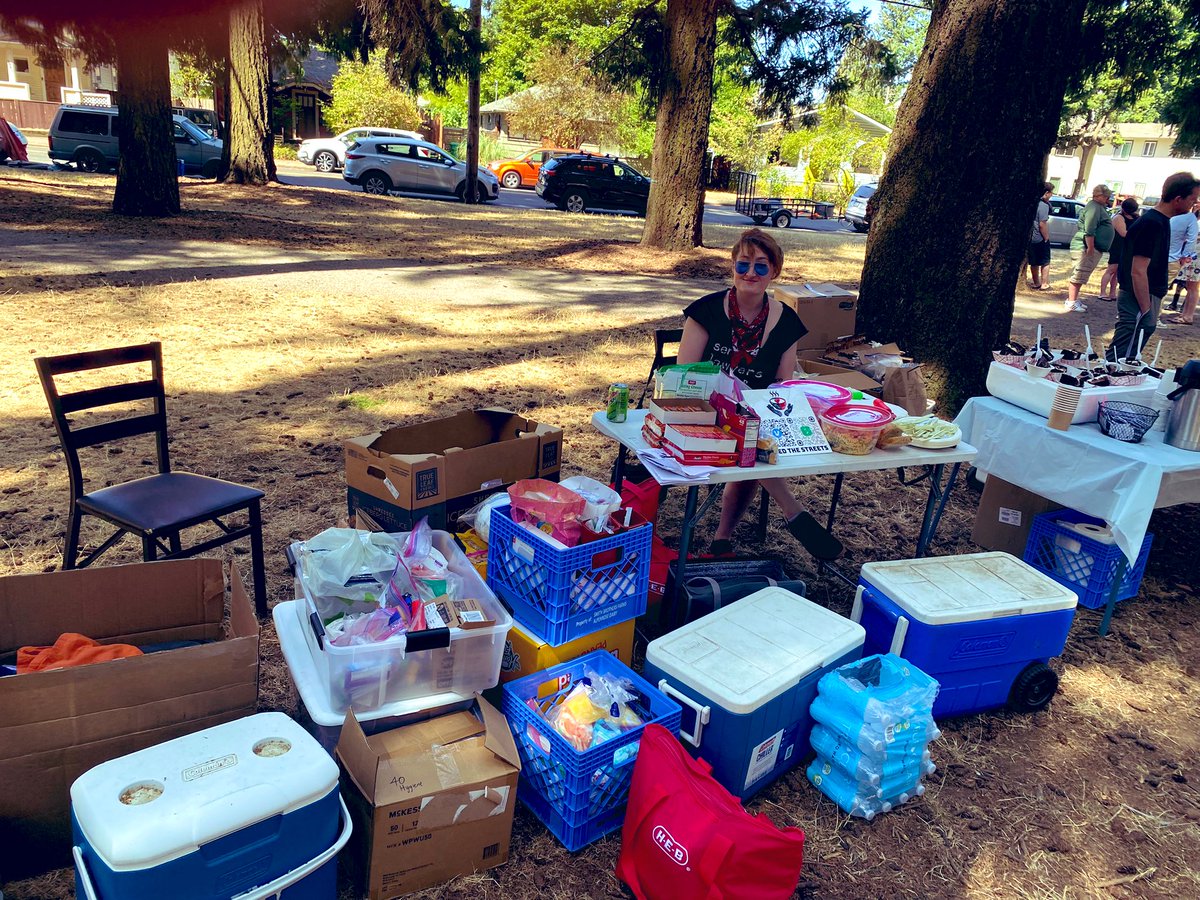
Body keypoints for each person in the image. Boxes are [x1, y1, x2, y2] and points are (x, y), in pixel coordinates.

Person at [677, 228, 842, 560]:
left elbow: (783, 386)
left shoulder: (788, 322)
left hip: (758, 420)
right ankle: (793, 513)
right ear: (733, 267)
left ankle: (725, 536)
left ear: (774, 273)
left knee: (754, 438)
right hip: (702, 413)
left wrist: (758, 413)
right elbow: (684, 377)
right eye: (743, 264)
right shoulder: (705, 311)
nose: (750, 273)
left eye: (761, 266)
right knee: (752, 439)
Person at [1108, 172, 1200, 360]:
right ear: (1178, 199)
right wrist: (1146, 308)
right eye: (1193, 199)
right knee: (1121, 354)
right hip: (1139, 295)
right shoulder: (1152, 223)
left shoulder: (1162, 221)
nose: (1195, 203)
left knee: (1130, 352)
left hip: (1147, 293)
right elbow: (1138, 271)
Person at [1066, 184, 1115, 312]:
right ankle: (1071, 301)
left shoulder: (1099, 207)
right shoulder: (1093, 208)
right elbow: (1090, 229)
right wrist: (1090, 247)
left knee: (1083, 274)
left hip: (1092, 247)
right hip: (1085, 247)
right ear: (1099, 196)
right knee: (1080, 273)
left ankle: (1075, 299)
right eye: (1106, 196)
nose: (1107, 199)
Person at [1164, 199, 1200, 324]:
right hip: (1193, 255)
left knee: (1193, 286)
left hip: (1196, 256)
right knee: (1191, 286)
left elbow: (1193, 237)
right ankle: (1185, 314)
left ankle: (1188, 315)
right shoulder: (1194, 218)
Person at [1099, 198, 1139, 302]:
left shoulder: (1134, 217)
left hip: (1127, 247)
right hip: (1118, 246)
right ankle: (1102, 292)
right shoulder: (1118, 218)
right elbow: (1123, 233)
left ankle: (1112, 293)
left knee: (1117, 271)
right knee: (1111, 269)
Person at [1026, 182, 1053, 289]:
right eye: (1051, 193)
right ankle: (1044, 283)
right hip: (1039, 237)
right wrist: (1046, 238)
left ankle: (1036, 282)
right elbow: (1042, 224)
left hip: (1031, 238)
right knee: (1045, 261)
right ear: (1046, 193)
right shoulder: (1043, 206)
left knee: (1034, 262)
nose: (1052, 195)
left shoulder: (1033, 203)